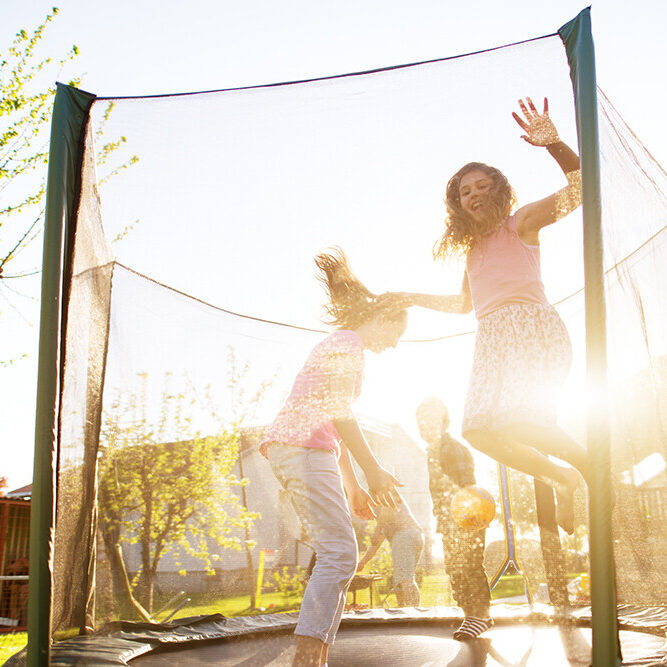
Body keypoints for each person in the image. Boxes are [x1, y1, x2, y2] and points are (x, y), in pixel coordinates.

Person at [392, 97, 585, 534]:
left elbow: (581, 187)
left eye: (482, 186)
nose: (474, 194)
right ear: (458, 206)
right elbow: (463, 306)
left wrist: (553, 143)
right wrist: (411, 296)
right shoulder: (472, 251)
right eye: (465, 191)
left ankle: (589, 463)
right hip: (492, 339)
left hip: (530, 329)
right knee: (478, 430)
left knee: (521, 420)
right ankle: (563, 476)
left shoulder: (522, 224)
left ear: (499, 191)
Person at [260, 247, 407, 667]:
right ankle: (308, 659)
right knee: (340, 552)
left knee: (339, 550)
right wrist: (374, 469)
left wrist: (353, 485)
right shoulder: (347, 342)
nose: (393, 345)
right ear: (384, 318)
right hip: (302, 449)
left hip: (307, 449)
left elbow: (330, 423)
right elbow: (341, 410)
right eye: (396, 334)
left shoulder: (343, 345)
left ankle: (315, 657)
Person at [416, 397, 492, 640]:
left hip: (468, 519)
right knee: (455, 568)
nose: (425, 427)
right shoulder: (432, 452)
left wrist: (468, 519)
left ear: (443, 423)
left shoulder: (452, 449)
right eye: (421, 423)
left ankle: (480, 615)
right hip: (450, 522)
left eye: (430, 421)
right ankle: (471, 614)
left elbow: (467, 485)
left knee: (469, 566)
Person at [356, 495, 425, 607]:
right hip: (416, 535)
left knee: (405, 579)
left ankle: (415, 613)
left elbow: (386, 511)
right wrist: (363, 562)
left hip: (403, 536)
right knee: (400, 580)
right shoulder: (387, 517)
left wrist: (377, 529)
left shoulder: (382, 493)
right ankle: (403, 611)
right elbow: (376, 544)